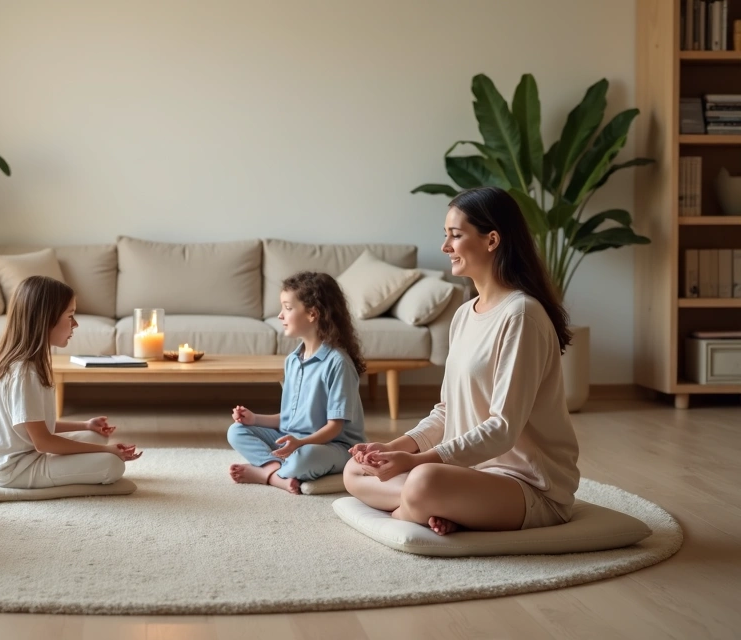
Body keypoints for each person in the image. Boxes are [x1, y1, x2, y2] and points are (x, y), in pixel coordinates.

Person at [344, 186, 580, 535]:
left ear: (492, 240)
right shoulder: (464, 314)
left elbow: (503, 428)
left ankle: (414, 508)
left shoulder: (522, 316)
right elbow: (446, 411)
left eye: (455, 235)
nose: (445, 247)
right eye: (446, 236)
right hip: (468, 476)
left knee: (423, 479)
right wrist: (392, 450)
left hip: (528, 487)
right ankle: (433, 508)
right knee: (354, 471)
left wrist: (417, 461)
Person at [0, 275, 141, 488]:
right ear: (45, 319)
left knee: (95, 436)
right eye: (70, 316)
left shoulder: (29, 363)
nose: (76, 324)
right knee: (112, 464)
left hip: (27, 454)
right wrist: (107, 451)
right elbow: (43, 442)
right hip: (12, 469)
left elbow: (35, 426)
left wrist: (85, 425)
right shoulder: (25, 373)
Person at [228, 271, 367, 494]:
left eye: (288, 308)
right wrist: (254, 419)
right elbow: (291, 419)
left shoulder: (337, 363)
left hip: (333, 446)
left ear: (312, 314)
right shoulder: (293, 360)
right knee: (236, 431)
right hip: (293, 441)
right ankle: (277, 474)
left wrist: (300, 444)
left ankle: (265, 473)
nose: (280, 316)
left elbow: (335, 427)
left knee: (306, 458)